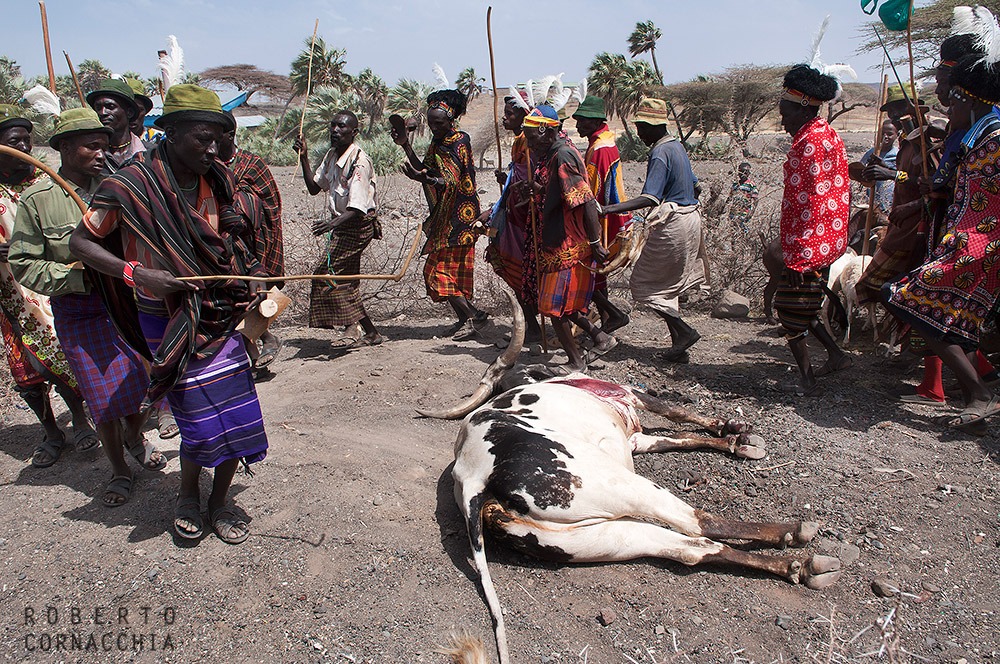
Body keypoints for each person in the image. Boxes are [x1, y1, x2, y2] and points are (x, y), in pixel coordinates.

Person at [70, 84, 269, 543]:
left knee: (236, 410)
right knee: (197, 414)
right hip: (166, 318)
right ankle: (186, 495)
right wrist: (135, 273)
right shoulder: (128, 187)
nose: (216, 148)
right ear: (172, 132)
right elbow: (80, 243)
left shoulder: (218, 179)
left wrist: (250, 267)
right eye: (204, 137)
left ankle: (219, 500)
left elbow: (231, 242)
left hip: (220, 313)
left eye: (220, 138)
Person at [9, 108, 165, 506]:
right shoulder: (38, 200)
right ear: (63, 147)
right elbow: (24, 264)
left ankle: (136, 436)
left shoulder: (116, 187)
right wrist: (80, 277)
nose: (101, 152)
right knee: (102, 398)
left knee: (142, 386)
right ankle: (119, 470)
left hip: (127, 305)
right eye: (91, 146)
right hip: (80, 311)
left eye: (104, 145)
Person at [883, 53, 1000, 433]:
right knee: (960, 323)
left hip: (976, 244)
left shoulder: (993, 138)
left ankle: (980, 393)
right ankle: (975, 409)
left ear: (967, 98)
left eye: (952, 103)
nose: (948, 112)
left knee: (902, 298)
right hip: (966, 240)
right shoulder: (980, 134)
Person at [0, 105, 96, 467]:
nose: (23, 146)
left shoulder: (45, 186)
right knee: (24, 366)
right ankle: (51, 431)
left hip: (50, 289)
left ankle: (82, 421)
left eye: (27, 139)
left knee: (65, 354)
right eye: (14, 141)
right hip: (10, 295)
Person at [601, 98, 705, 363]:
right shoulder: (677, 147)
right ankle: (679, 341)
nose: (638, 133)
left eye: (640, 127)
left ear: (650, 126)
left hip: (674, 223)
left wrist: (608, 209)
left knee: (644, 284)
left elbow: (651, 198)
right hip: (691, 219)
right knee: (665, 285)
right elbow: (696, 187)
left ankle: (683, 331)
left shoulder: (659, 152)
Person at [773, 64, 852, 396]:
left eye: (786, 112)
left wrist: (796, 259)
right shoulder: (824, 132)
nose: (783, 120)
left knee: (790, 307)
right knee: (805, 301)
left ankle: (807, 379)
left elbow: (810, 203)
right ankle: (836, 355)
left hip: (809, 244)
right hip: (823, 239)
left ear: (803, 106)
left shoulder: (809, 142)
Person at [521, 106, 616, 371]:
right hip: (557, 239)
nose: (528, 143)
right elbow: (559, 191)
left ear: (545, 130)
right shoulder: (553, 152)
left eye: (530, 137)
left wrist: (596, 243)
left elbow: (585, 200)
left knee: (552, 307)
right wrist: (538, 189)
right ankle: (601, 337)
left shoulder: (562, 155)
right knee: (564, 302)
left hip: (566, 243)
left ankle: (576, 363)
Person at [392, 89, 487, 341]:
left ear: (451, 119)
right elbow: (425, 170)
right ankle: (465, 320)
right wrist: (406, 146)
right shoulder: (438, 142)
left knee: (438, 272)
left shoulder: (459, 140)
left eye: (439, 122)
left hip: (460, 218)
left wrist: (426, 177)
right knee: (449, 272)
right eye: (431, 122)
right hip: (444, 217)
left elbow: (450, 180)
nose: (434, 127)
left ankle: (474, 316)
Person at [293, 111, 382, 347]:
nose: (335, 131)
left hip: (357, 226)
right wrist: (304, 157)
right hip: (343, 225)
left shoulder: (360, 163)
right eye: (333, 126)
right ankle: (368, 332)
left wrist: (330, 224)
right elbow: (314, 187)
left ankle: (352, 327)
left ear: (354, 132)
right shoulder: (332, 155)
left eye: (341, 127)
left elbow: (358, 209)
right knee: (345, 279)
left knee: (327, 273)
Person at [221, 111, 287, 364]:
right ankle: (257, 348)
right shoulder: (207, 166)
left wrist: (242, 206)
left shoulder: (251, 164)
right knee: (234, 298)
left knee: (252, 294)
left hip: (252, 242)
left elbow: (272, 206)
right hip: (224, 242)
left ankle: (263, 342)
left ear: (230, 135)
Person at [484, 92, 543, 342]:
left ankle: (533, 326)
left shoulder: (527, 141)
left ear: (523, 114)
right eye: (505, 113)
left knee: (521, 271)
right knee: (515, 270)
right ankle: (531, 325)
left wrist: (512, 181)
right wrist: (507, 177)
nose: (504, 118)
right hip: (514, 213)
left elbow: (529, 178)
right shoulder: (519, 140)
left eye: (509, 113)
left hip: (522, 217)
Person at [572, 95, 630, 334]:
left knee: (588, 270)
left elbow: (592, 192)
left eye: (583, 121)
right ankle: (607, 320)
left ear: (596, 121)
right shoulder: (603, 142)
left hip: (602, 218)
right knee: (596, 273)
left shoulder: (600, 149)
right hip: (608, 215)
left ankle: (611, 316)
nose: (577, 126)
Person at [87, 79, 144, 173]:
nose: (103, 112)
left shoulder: (151, 154)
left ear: (129, 112)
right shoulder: (91, 157)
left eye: (110, 107)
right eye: (98, 108)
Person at [852, 120, 899, 217]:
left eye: (890, 134)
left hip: (890, 197)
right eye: (882, 134)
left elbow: (900, 173)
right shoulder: (872, 152)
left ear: (896, 135)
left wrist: (885, 166)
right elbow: (859, 169)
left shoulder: (897, 154)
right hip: (873, 197)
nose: (885, 137)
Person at [724, 162, 760, 234]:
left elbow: (756, 199)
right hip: (734, 212)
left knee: (743, 230)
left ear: (748, 173)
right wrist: (724, 207)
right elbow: (730, 197)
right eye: (741, 172)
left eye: (746, 172)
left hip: (744, 212)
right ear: (738, 172)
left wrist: (751, 212)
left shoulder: (751, 185)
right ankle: (733, 244)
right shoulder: (735, 185)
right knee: (733, 230)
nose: (743, 174)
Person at [125, 78, 155, 143]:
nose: (133, 115)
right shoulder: (107, 140)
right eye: (129, 110)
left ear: (145, 112)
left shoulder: (159, 138)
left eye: (139, 110)